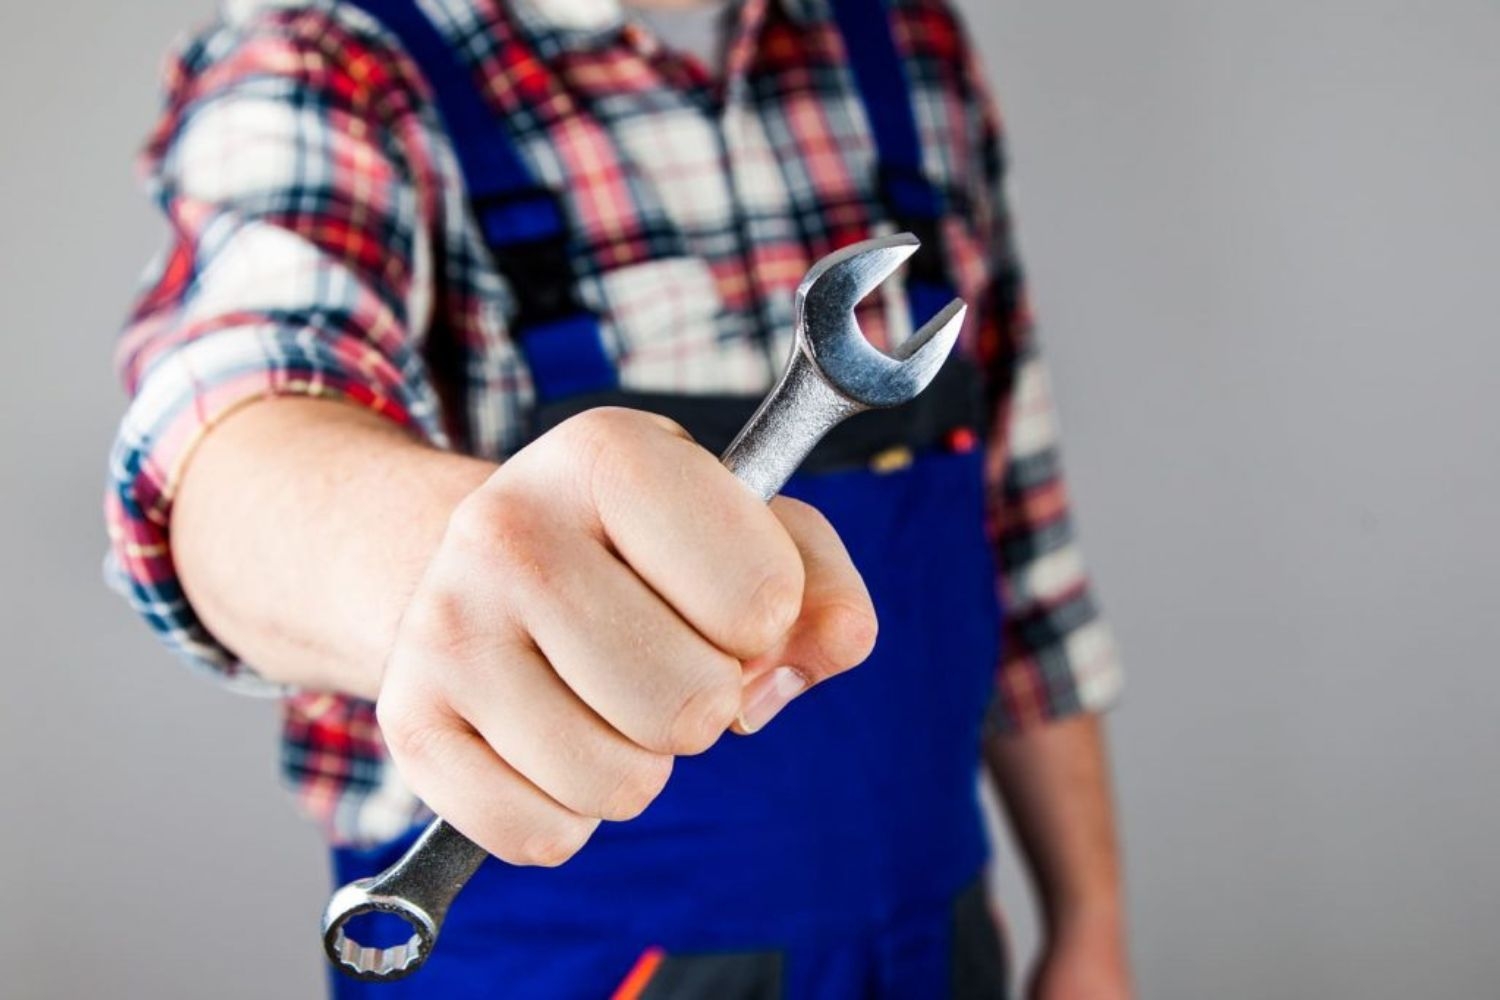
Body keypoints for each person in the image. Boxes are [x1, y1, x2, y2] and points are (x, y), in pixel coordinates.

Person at [105, 0, 1130, 995]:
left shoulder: (906, 39)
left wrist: (1088, 922)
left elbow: (1020, 541)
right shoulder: (333, 60)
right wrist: (467, 568)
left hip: (931, 939)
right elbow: (233, 446)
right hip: (548, 959)